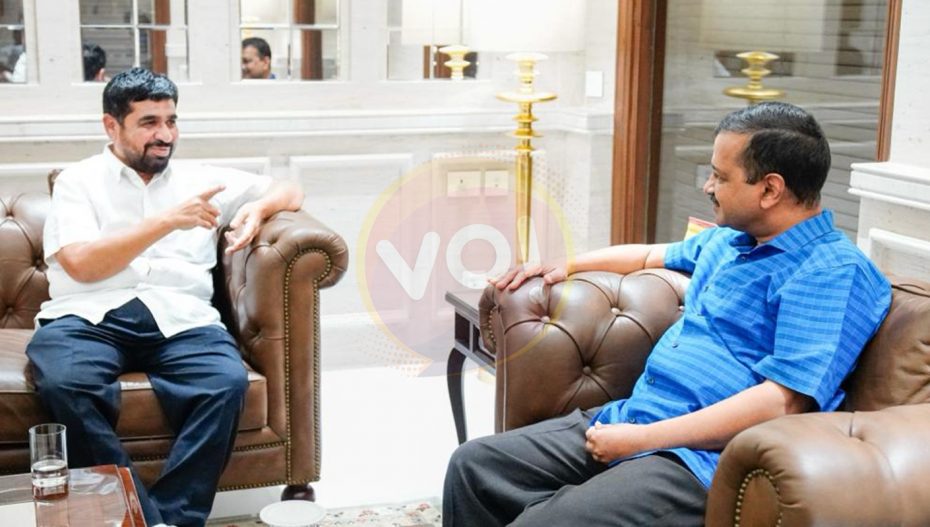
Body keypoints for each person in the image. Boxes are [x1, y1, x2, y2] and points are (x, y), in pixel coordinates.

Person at [443, 102, 892, 526]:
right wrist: (565, 266)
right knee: (474, 466)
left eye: (720, 176)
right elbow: (646, 256)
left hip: (701, 459)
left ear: (770, 189)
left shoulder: (831, 271)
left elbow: (783, 401)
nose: (708, 186)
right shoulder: (731, 240)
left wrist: (641, 440)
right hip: (635, 415)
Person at [25, 68, 303, 527]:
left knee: (225, 384)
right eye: (149, 122)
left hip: (181, 318)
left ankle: (168, 519)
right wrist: (166, 221)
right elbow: (81, 264)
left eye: (171, 121)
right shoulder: (79, 181)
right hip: (89, 315)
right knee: (66, 383)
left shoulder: (200, 178)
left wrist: (259, 207)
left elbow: (289, 188)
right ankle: (138, 517)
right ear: (111, 125)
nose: (165, 135)